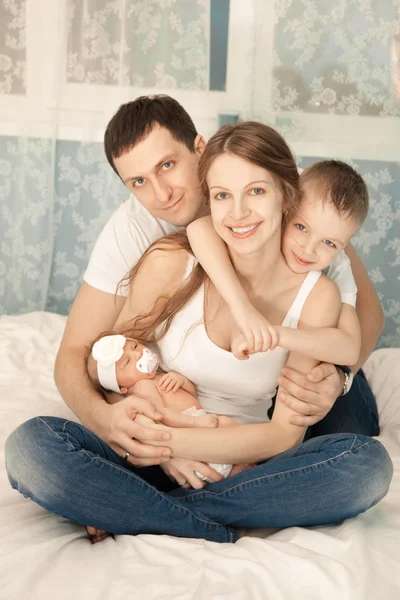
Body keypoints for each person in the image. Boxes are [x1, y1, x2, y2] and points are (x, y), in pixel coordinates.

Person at [6, 121, 392, 544]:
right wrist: (150, 438)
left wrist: (180, 444)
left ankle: (142, 509)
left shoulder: (318, 293)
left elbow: (284, 434)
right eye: (222, 195)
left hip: (240, 463)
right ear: (209, 199)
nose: (238, 213)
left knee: (366, 466)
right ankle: (206, 521)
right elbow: (110, 363)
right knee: (32, 446)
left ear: (288, 195)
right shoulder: (172, 261)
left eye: (256, 192)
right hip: (150, 452)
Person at [51, 95, 382, 459]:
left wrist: (340, 379)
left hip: (314, 358)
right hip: (189, 401)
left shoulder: (306, 204)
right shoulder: (138, 230)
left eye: (168, 165)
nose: (162, 193)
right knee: (43, 444)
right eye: (139, 181)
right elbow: (80, 350)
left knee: (348, 450)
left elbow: (365, 316)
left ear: (199, 147)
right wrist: (109, 420)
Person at [187, 159, 367, 366]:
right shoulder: (268, 214)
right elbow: (199, 229)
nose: (308, 250)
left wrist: (276, 334)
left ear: (343, 246)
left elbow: (350, 349)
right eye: (301, 227)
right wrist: (242, 307)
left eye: (329, 243)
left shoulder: (337, 266)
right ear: (285, 208)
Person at [87, 332, 235, 485]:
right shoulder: (141, 387)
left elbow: (191, 395)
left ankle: (243, 465)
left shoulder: (158, 376)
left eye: (135, 346)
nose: (137, 354)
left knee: (229, 431)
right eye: (127, 362)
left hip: (199, 422)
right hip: (189, 430)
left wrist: (181, 381)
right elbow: (161, 415)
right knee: (226, 428)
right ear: (122, 388)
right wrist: (196, 423)